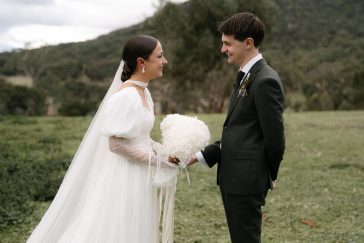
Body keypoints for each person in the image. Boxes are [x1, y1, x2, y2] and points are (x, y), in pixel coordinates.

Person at [27, 35, 178, 243]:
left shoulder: (144, 92)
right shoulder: (126, 96)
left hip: (141, 171)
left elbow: (141, 137)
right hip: (125, 174)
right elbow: (116, 144)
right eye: (160, 56)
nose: (165, 61)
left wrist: (167, 152)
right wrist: (157, 161)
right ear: (141, 62)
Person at [189, 12, 285, 242]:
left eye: (228, 43)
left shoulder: (265, 81)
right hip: (234, 178)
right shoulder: (245, 76)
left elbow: (275, 140)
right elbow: (242, 132)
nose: (223, 49)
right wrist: (202, 155)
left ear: (248, 43)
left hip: (247, 181)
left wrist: (267, 174)